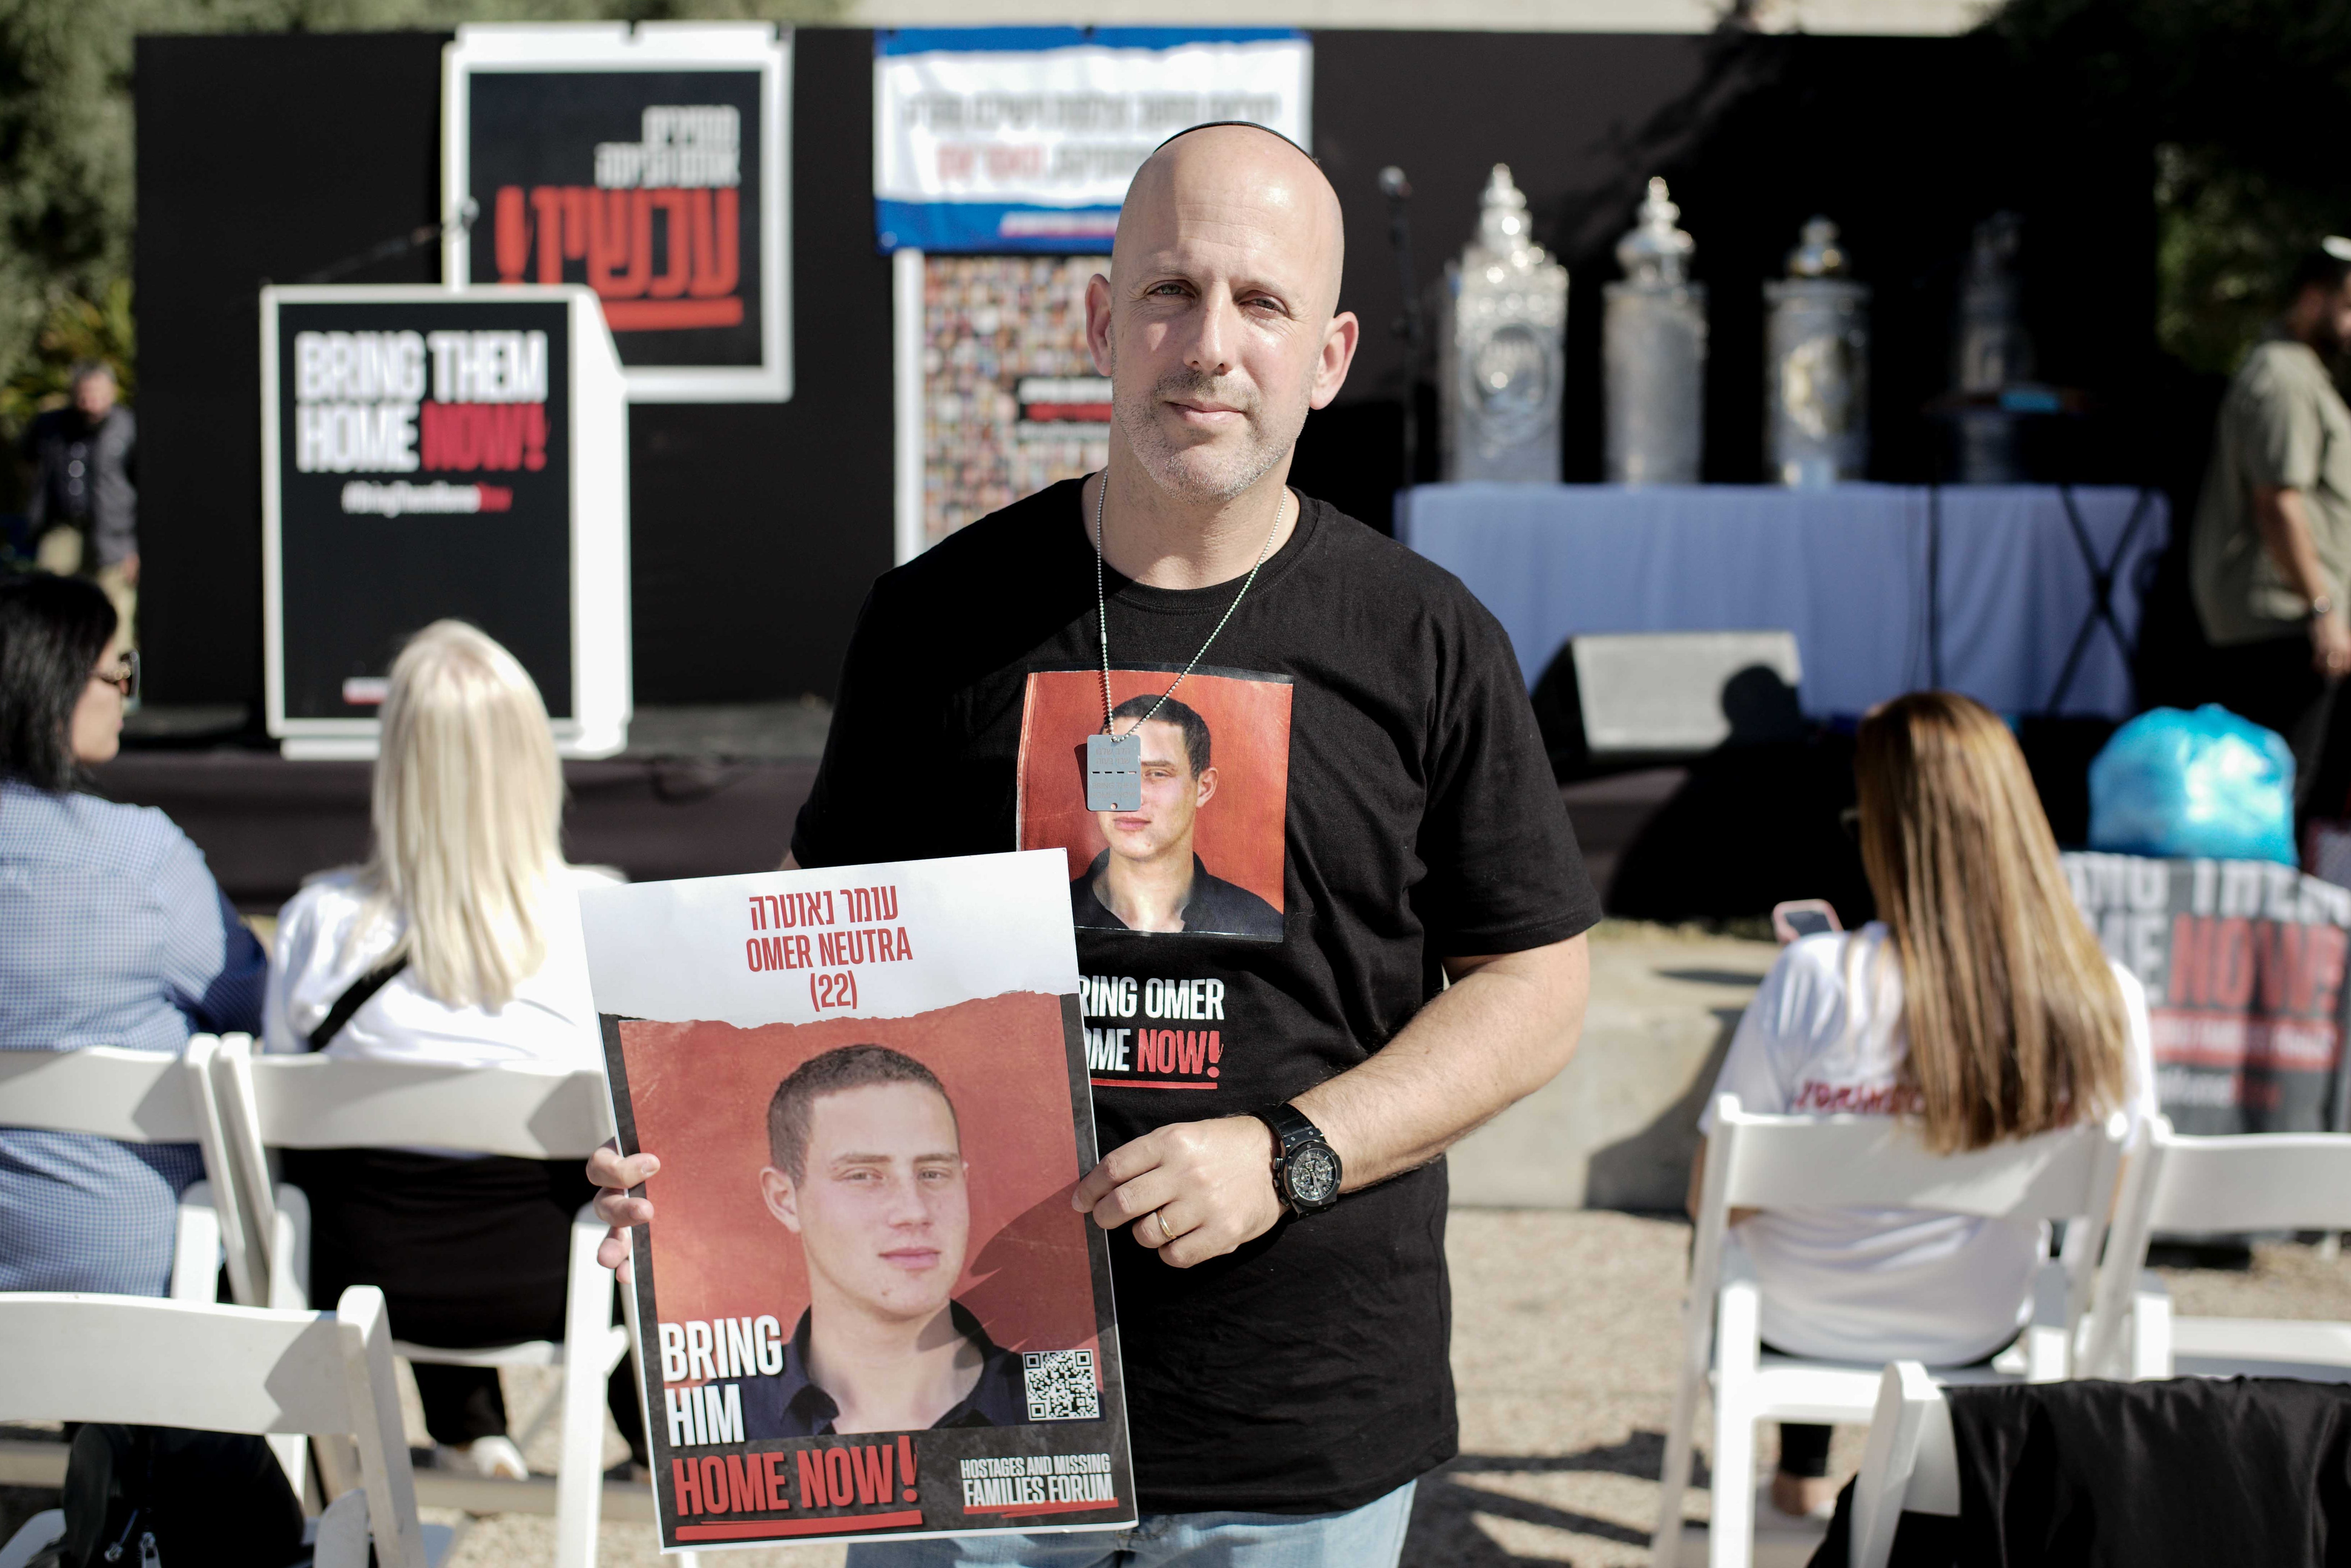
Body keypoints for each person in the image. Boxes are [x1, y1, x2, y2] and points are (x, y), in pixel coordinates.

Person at [593, 120, 1598, 1568]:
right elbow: (822, 984)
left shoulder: (1427, 637)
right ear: (1099, 321)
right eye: (1169, 293)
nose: (1208, 345)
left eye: (1262, 304)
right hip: (961, 1418)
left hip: (1293, 1429)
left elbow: (1536, 981)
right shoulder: (934, 621)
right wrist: (685, 1148)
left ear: (1328, 356)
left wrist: (1293, 1151)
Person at [1684, 690, 2156, 1521]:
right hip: (1977, 1322)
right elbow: (2119, 1193)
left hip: (1798, 1318)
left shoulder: (1814, 977)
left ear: (1882, 828)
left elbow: (1711, 1194)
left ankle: (1800, 1477)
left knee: (1780, 1239)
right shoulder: (2102, 998)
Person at [263, 619, 644, 1481]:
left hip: (355, 1277)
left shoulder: (315, 922)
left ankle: (469, 1424)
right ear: (529, 760)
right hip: (554, 1283)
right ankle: (656, 1436)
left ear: (396, 765)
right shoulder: (603, 921)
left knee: (400, 1166)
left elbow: (280, 1123)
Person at [0, 573, 263, 1294]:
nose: (126, 689)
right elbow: (250, 1005)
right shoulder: (138, 859)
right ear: (53, 684)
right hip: (136, 1264)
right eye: (118, 669)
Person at [739, 1045, 1028, 1438]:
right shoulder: (726, 1420)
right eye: (863, 1176)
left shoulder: (1069, 1413)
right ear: (784, 1200)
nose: (913, 1211)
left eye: (933, 1173)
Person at [2189, 245, 2351, 812]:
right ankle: (2265, 902)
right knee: (2278, 797)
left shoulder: (2303, 373)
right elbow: (2277, 504)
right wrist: (2322, 609)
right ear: (2312, 297)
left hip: (2295, 618)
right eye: (2348, 306)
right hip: (2282, 621)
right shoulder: (2282, 377)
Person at [1070, 693, 1282, 939]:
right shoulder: (1049, 919)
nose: (1131, 796)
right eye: (1115, 770)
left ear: (1204, 788)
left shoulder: (1259, 926)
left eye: (1158, 773)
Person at [22, 362, 138, 640]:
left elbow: (145, 487)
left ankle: (114, 679)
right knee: (50, 606)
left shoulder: (128, 427)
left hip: (115, 537)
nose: (91, 401)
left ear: (112, 391)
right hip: (63, 529)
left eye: (98, 392)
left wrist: (137, 546)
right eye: (85, 393)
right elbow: (25, 460)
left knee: (114, 616)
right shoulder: (50, 425)